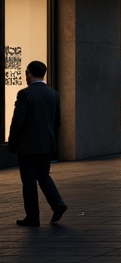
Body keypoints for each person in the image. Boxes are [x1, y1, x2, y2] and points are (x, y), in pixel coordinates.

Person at [7, 60, 67, 227]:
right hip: (46, 144)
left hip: (27, 146)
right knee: (43, 175)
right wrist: (51, 139)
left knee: (28, 181)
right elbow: (57, 121)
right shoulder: (53, 94)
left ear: (29, 74)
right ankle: (58, 204)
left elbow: (18, 121)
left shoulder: (24, 94)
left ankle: (33, 217)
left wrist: (13, 142)